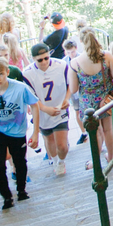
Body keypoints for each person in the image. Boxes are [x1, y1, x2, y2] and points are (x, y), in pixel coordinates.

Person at [0, 57, 41, 209]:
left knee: (20, 162)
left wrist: (35, 132)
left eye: (1, 74)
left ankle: (21, 190)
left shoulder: (20, 88)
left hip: (17, 130)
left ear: (7, 72)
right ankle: (6, 196)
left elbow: (35, 105)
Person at [69, 28, 113, 169]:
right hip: (107, 99)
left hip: (88, 103)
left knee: (95, 133)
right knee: (109, 130)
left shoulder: (75, 63)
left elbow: (73, 89)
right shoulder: (107, 56)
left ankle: (95, 162)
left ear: (81, 41)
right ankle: (111, 156)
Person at [22, 43, 72, 176]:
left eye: (46, 58)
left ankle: (61, 161)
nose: (44, 62)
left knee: (62, 145)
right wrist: (45, 109)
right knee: (49, 140)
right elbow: (31, 97)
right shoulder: (27, 73)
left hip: (60, 109)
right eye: (40, 60)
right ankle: (55, 160)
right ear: (33, 59)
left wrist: (66, 99)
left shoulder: (61, 65)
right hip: (42, 113)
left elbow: (70, 84)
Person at [63, 39, 88, 145]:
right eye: (68, 52)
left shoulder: (82, 58)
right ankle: (84, 132)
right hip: (73, 91)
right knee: (77, 112)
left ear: (76, 49)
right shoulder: (64, 62)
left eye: (72, 51)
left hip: (83, 88)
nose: (71, 54)